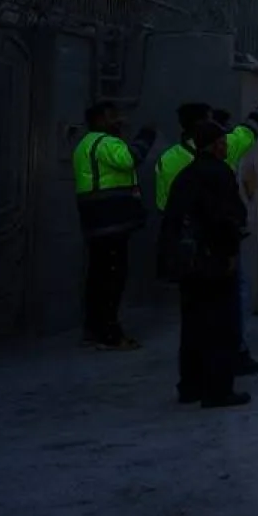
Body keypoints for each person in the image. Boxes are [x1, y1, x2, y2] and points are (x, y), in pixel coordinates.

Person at [155, 84, 258, 375]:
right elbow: (253, 127)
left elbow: (166, 207)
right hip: (217, 248)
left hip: (187, 250)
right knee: (227, 305)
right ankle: (231, 357)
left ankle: (191, 374)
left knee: (191, 315)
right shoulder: (222, 156)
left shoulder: (168, 160)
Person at [164, 121, 251, 409]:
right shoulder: (219, 174)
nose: (226, 147)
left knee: (193, 326)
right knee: (220, 327)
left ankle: (190, 385)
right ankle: (217, 390)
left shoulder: (185, 176)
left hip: (188, 264)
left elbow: (172, 222)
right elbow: (225, 218)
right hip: (213, 260)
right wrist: (229, 253)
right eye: (223, 143)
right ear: (214, 145)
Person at [72, 102, 156, 350]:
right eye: (113, 117)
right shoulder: (105, 143)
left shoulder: (86, 144)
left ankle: (94, 330)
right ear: (99, 120)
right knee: (111, 279)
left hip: (98, 223)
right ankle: (108, 333)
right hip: (110, 223)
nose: (119, 121)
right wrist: (146, 135)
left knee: (99, 278)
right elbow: (131, 159)